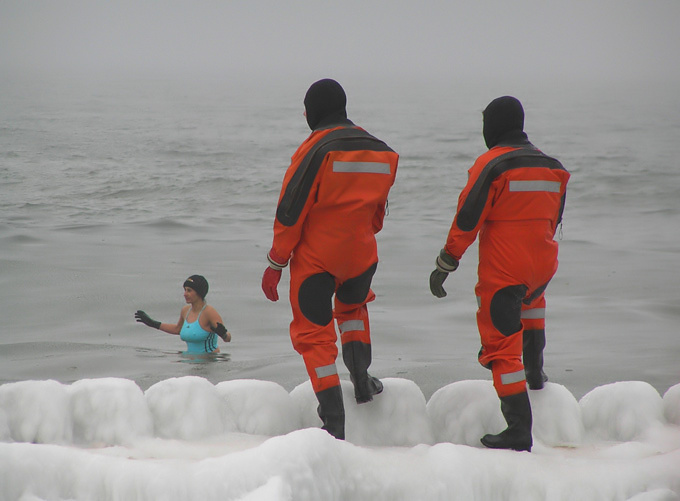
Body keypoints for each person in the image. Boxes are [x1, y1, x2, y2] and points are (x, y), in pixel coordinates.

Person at [429, 96, 570, 452]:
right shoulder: (553, 167)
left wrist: (445, 263)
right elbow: (555, 220)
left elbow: (468, 219)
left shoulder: (492, 164)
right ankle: (536, 377)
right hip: (542, 266)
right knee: (532, 314)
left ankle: (519, 428)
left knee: (501, 347)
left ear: (492, 126)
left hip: (506, 271)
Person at [261, 78, 399, 440]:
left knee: (314, 336)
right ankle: (362, 382)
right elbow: (378, 215)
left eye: (306, 109)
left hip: (318, 259)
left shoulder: (315, 149)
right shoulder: (384, 152)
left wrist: (276, 263)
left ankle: (334, 422)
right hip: (362, 254)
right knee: (353, 312)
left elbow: (290, 212)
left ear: (314, 111)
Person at [135, 275, 231, 354]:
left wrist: (223, 334)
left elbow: (228, 339)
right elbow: (178, 329)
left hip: (209, 362)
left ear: (199, 293)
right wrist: (153, 323)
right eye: (185, 290)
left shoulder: (209, 312)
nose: (185, 294)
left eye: (189, 290)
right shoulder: (185, 310)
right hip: (189, 361)